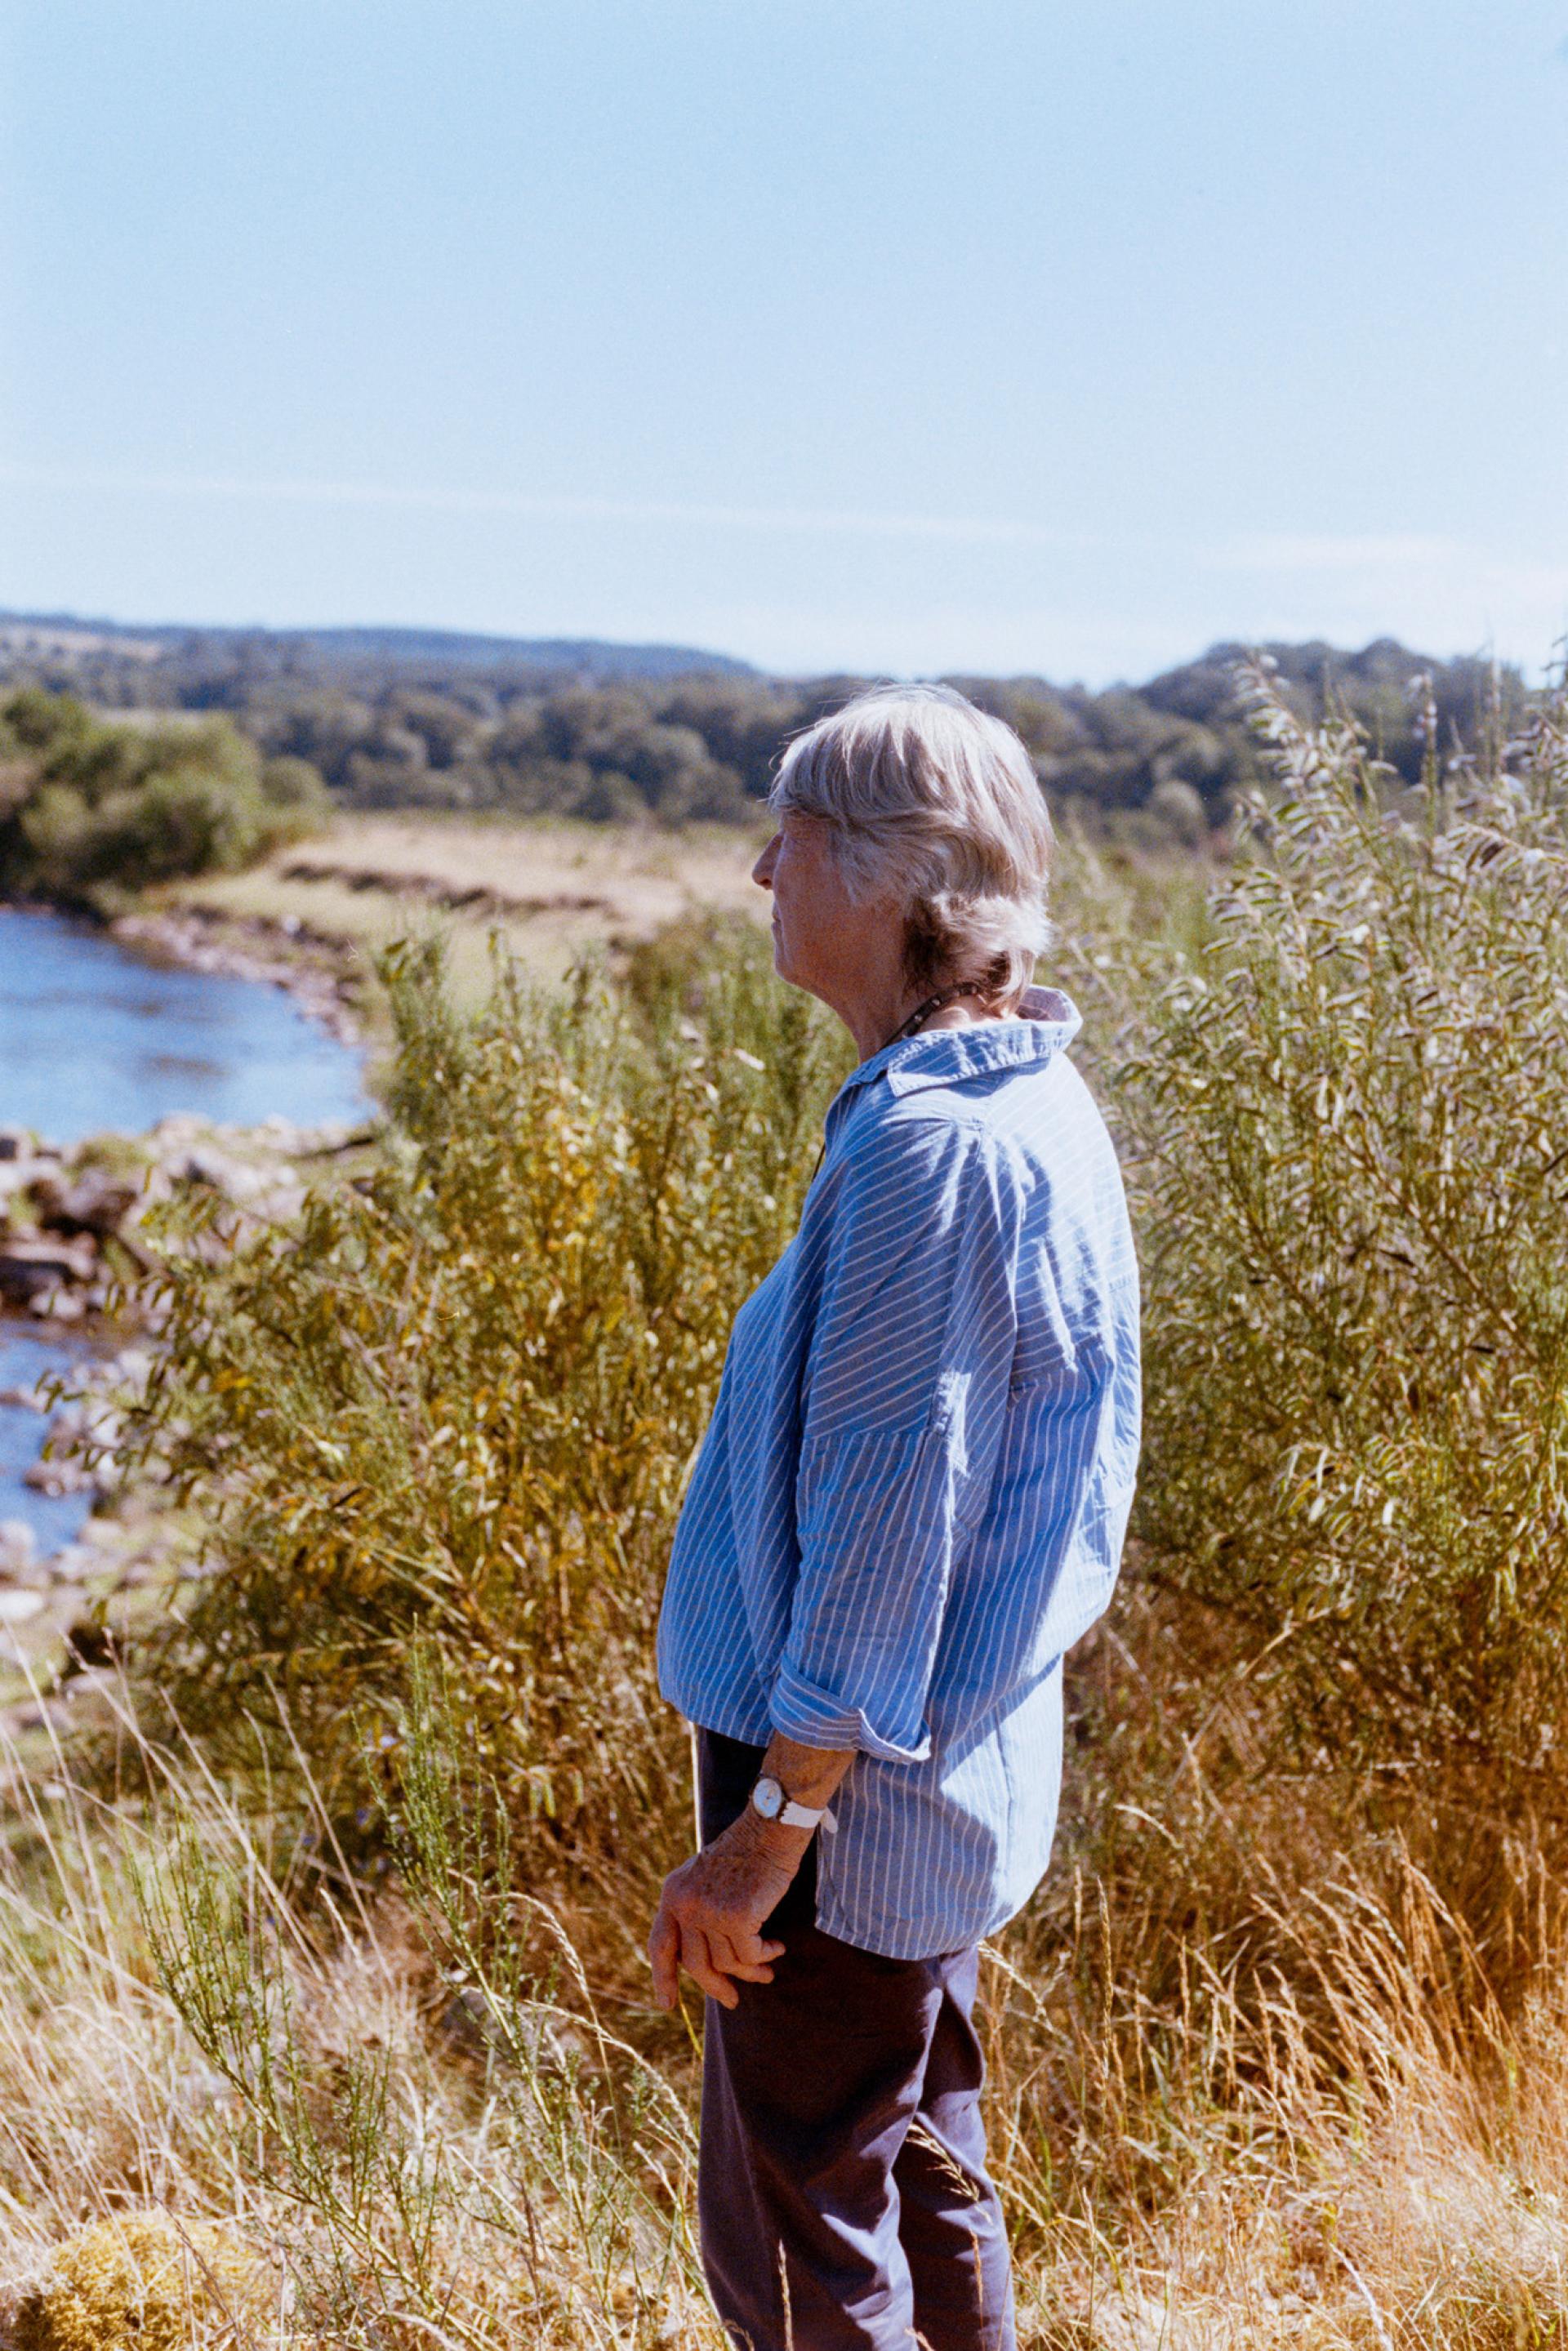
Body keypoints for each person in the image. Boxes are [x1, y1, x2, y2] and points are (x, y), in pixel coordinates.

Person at [649, 683, 1141, 2351]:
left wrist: (772, 1826)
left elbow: (885, 1517)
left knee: (794, 2242)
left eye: (784, 841)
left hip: (849, 1799)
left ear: (889, 878)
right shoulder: (1033, 1104)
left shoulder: (928, 1149)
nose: (756, 874)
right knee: (922, 2167)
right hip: (945, 1777)